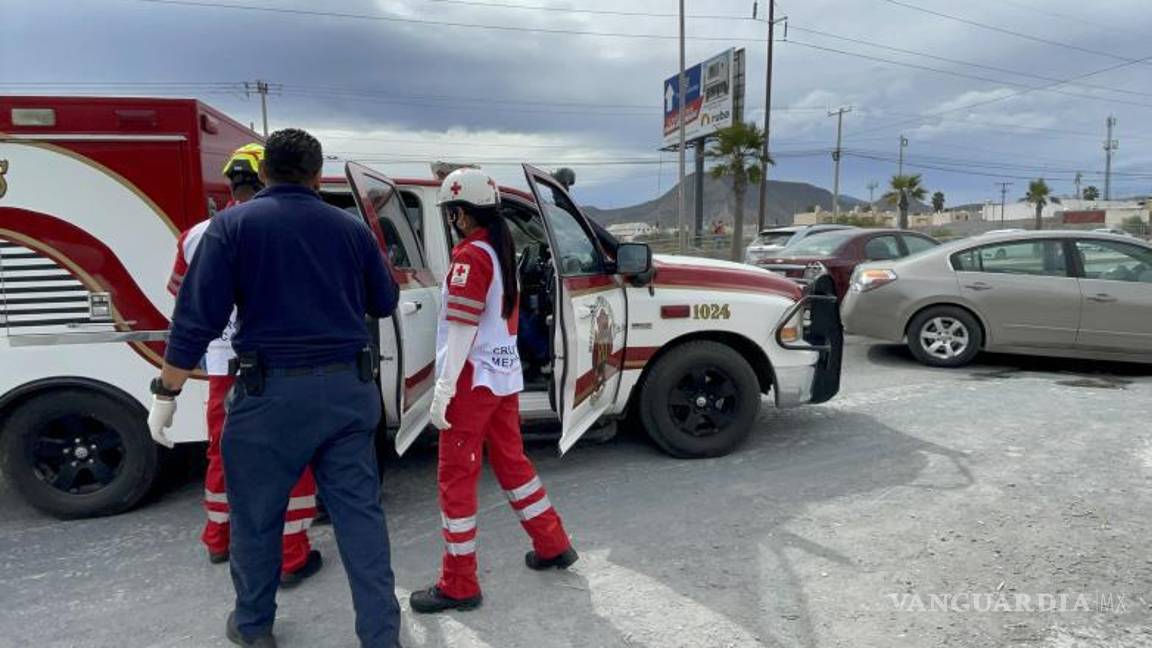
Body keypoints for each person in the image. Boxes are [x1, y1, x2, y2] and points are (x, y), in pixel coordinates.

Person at [147, 129, 402, 647]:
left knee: (257, 517)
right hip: (347, 393)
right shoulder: (351, 229)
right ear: (317, 175)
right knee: (360, 519)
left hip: (269, 397)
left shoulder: (231, 227)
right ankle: (381, 636)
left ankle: (253, 626)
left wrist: (167, 392)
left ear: (263, 173)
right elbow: (384, 302)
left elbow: (195, 319)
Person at [409, 168, 578, 615]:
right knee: (513, 465)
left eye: (451, 213)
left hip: (471, 382)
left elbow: (462, 328)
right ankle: (553, 543)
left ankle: (459, 584)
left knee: (456, 481)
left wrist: (444, 388)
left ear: (462, 215)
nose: (451, 220)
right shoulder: (501, 250)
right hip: (502, 378)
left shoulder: (471, 257)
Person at [167, 143, 320, 586]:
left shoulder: (198, 234)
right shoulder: (284, 227)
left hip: (221, 362)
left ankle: (218, 537)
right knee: (290, 455)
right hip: (273, 363)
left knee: (222, 452)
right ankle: (291, 554)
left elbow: (180, 296)